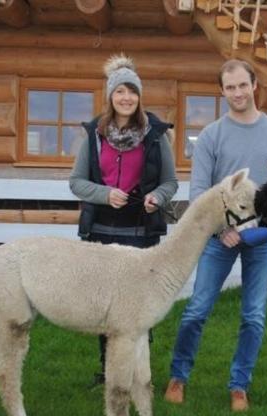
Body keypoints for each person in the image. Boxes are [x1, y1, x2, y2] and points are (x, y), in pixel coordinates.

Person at [164, 59, 267, 411]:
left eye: (243, 85)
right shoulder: (211, 136)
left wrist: (261, 230)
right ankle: (178, 377)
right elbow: (198, 192)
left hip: (262, 238)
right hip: (218, 237)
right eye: (230, 87)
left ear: (255, 85)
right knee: (197, 309)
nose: (237, 93)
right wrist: (222, 230)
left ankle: (239, 386)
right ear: (222, 91)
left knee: (253, 314)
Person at [69, 53, 178, 387]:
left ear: (139, 96)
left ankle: (138, 372)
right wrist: (104, 194)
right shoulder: (93, 135)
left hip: (141, 234)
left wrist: (157, 198)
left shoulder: (156, 135)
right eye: (120, 92)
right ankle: (108, 370)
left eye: (132, 91)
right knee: (106, 307)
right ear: (111, 96)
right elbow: (76, 183)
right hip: (100, 233)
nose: (126, 97)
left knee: (140, 307)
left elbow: (170, 182)